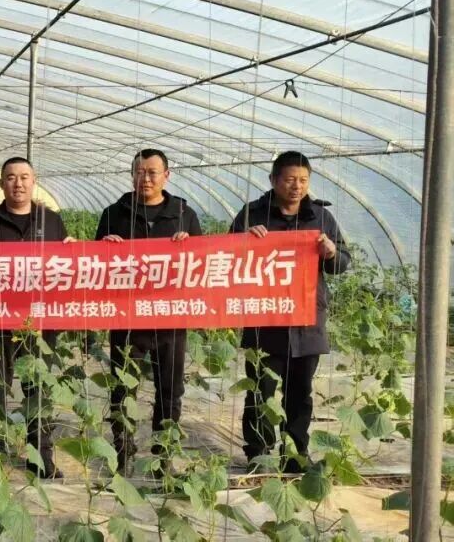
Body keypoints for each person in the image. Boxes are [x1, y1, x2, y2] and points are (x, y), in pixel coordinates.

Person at [230, 151, 350, 474]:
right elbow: (226, 256)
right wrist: (244, 241)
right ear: (273, 180)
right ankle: (258, 453)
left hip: (307, 321)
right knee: (261, 390)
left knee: (300, 394)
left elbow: (342, 262)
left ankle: (295, 456)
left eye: (303, 180)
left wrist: (331, 253)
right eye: (289, 180)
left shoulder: (320, 217)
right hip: (265, 319)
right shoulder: (252, 214)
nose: (296, 186)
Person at [95, 149, 202, 476]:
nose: (146, 178)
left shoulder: (184, 215)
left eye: (153, 172)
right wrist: (105, 246)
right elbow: (95, 264)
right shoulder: (115, 213)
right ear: (132, 175)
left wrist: (189, 246)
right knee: (122, 387)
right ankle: (123, 451)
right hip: (127, 318)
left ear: (166, 176)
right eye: (140, 172)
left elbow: (201, 264)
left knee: (170, 390)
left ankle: (162, 456)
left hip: (170, 318)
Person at [0, 156, 74, 479]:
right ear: (1, 183)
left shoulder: (52, 222)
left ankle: (40, 456)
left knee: (38, 387)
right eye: (11, 177)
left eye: (24, 177)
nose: (18, 183)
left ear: (34, 180)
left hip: (39, 320)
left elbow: (65, 268)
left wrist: (73, 252)